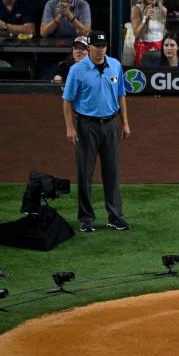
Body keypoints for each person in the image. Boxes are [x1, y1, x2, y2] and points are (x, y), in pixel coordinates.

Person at [61, 30, 130, 233]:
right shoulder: (77, 70)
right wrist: (70, 127)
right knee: (85, 172)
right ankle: (86, 218)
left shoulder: (115, 65)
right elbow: (67, 100)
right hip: (86, 126)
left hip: (111, 125)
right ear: (89, 46)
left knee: (112, 172)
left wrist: (125, 122)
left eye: (103, 46)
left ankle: (115, 216)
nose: (100, 50)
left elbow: (121, 95)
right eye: (96, 46)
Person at [131, 0, 167, 66]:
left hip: (160, 50)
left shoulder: (163, 10)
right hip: (145, 51)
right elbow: (136, 34)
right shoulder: (136, 9)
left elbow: (163, 32)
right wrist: (145, 19)